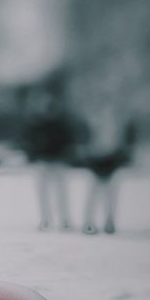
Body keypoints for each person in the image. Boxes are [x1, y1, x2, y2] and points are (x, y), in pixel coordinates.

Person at [22, 87, 78, 230]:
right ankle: (46, 220)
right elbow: (30, 142)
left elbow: (68, 142)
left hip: (57, 162)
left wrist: (66, 155)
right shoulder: (37, 124)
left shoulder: (62, 124)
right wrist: (32, 156)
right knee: (44, 195)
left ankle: (64, 220)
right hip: (43, 162)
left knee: (60, 194)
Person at [81, 104, 137, 234]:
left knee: (111, 194)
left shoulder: (120, 127)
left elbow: (124, 145)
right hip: (97, 161)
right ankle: (89, 222)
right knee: (94, 193)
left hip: (112, 161)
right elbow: (87, 144)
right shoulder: (93, 124)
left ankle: (109, 222)